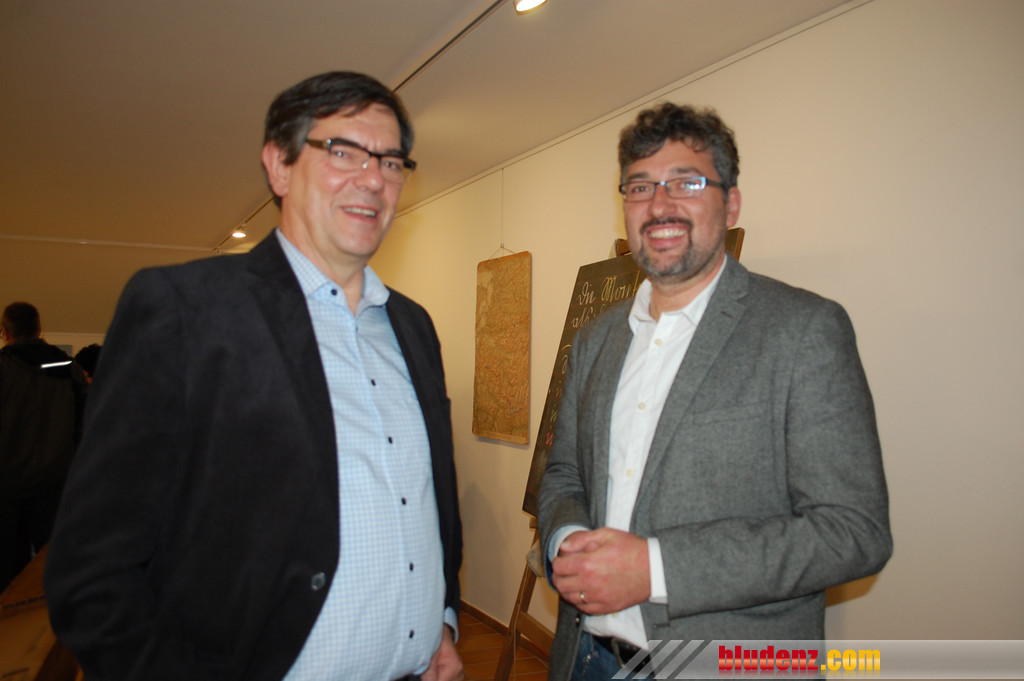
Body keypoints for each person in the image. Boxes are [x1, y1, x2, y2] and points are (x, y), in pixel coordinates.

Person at [45, 71, 463, 681]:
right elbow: (91, 571)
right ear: (279, 166)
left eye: (391, 161)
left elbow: (430, 503)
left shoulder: (413, 326)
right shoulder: (185, 310)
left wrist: (442, 620)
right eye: (342, 151)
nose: (374, 178)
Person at [537, 103, 892, 681]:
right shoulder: (595, 340)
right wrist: (569, 540)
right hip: (585, 658)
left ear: (731, 203)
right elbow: (564, 473)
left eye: (687, 182)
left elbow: (853, 532)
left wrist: (654, 569)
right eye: (641, 186)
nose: (660, 205)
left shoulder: (804, 330)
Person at [1, 302, 86, 591]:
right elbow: (84, 425)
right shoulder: (69, 369)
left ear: (5, 333)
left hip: (6, 485)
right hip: (54, 481)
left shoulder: (4, 367)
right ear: (39, 330)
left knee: (8, 573)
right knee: (50, 570)